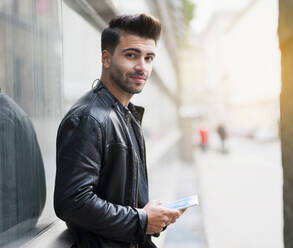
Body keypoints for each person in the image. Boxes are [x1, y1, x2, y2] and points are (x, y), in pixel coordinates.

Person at [54, 14, 184, 248]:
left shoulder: (127, 115)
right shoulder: (89, 118)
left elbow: (120, 198)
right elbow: (73, 201)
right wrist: (142, 220)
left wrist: (152, 216)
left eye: (149, 57)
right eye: (131, 55)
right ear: (106, 58)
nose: (142, 66)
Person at [0, 90, 46, 245]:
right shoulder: (10, 110)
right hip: (24, 225)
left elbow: (7, 186)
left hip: (11, 231)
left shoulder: (3, 117)